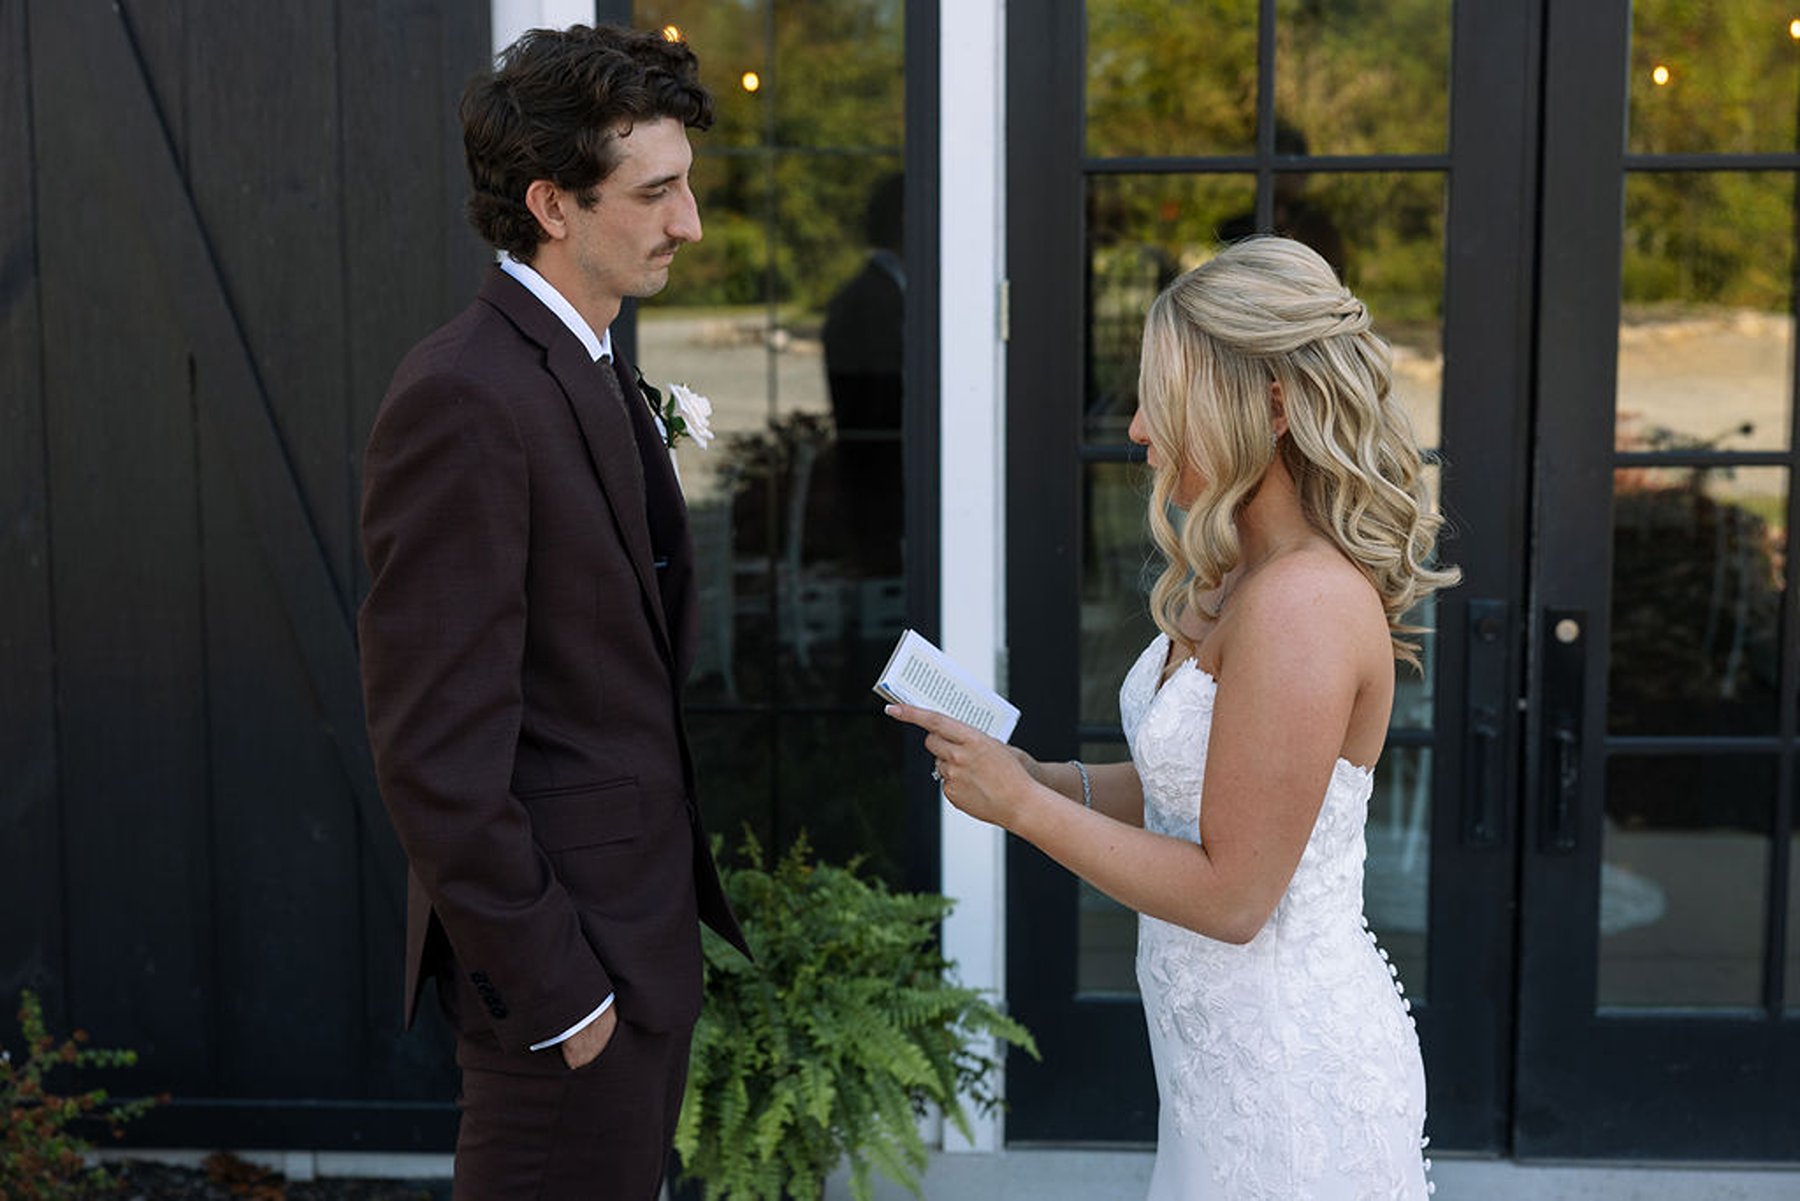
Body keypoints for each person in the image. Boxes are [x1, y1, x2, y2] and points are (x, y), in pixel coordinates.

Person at [887, 237, 1456, 1199]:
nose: (1141, 428)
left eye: (1169, 396)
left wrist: (1021, 813)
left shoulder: (1305, 603)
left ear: (1273, 401)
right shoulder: (1237, 573)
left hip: (1287, 1082)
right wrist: (1042, 777)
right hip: (1216, 1071)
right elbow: (1193, 786)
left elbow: (1235, 896)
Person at [357, 24, 747, 1201]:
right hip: (569, 977)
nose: (688, 222)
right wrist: (566, 992)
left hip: (633, 946)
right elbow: (433, 753)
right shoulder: (465, 398)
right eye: (657, 192)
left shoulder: (581, 361)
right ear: (551, 203)